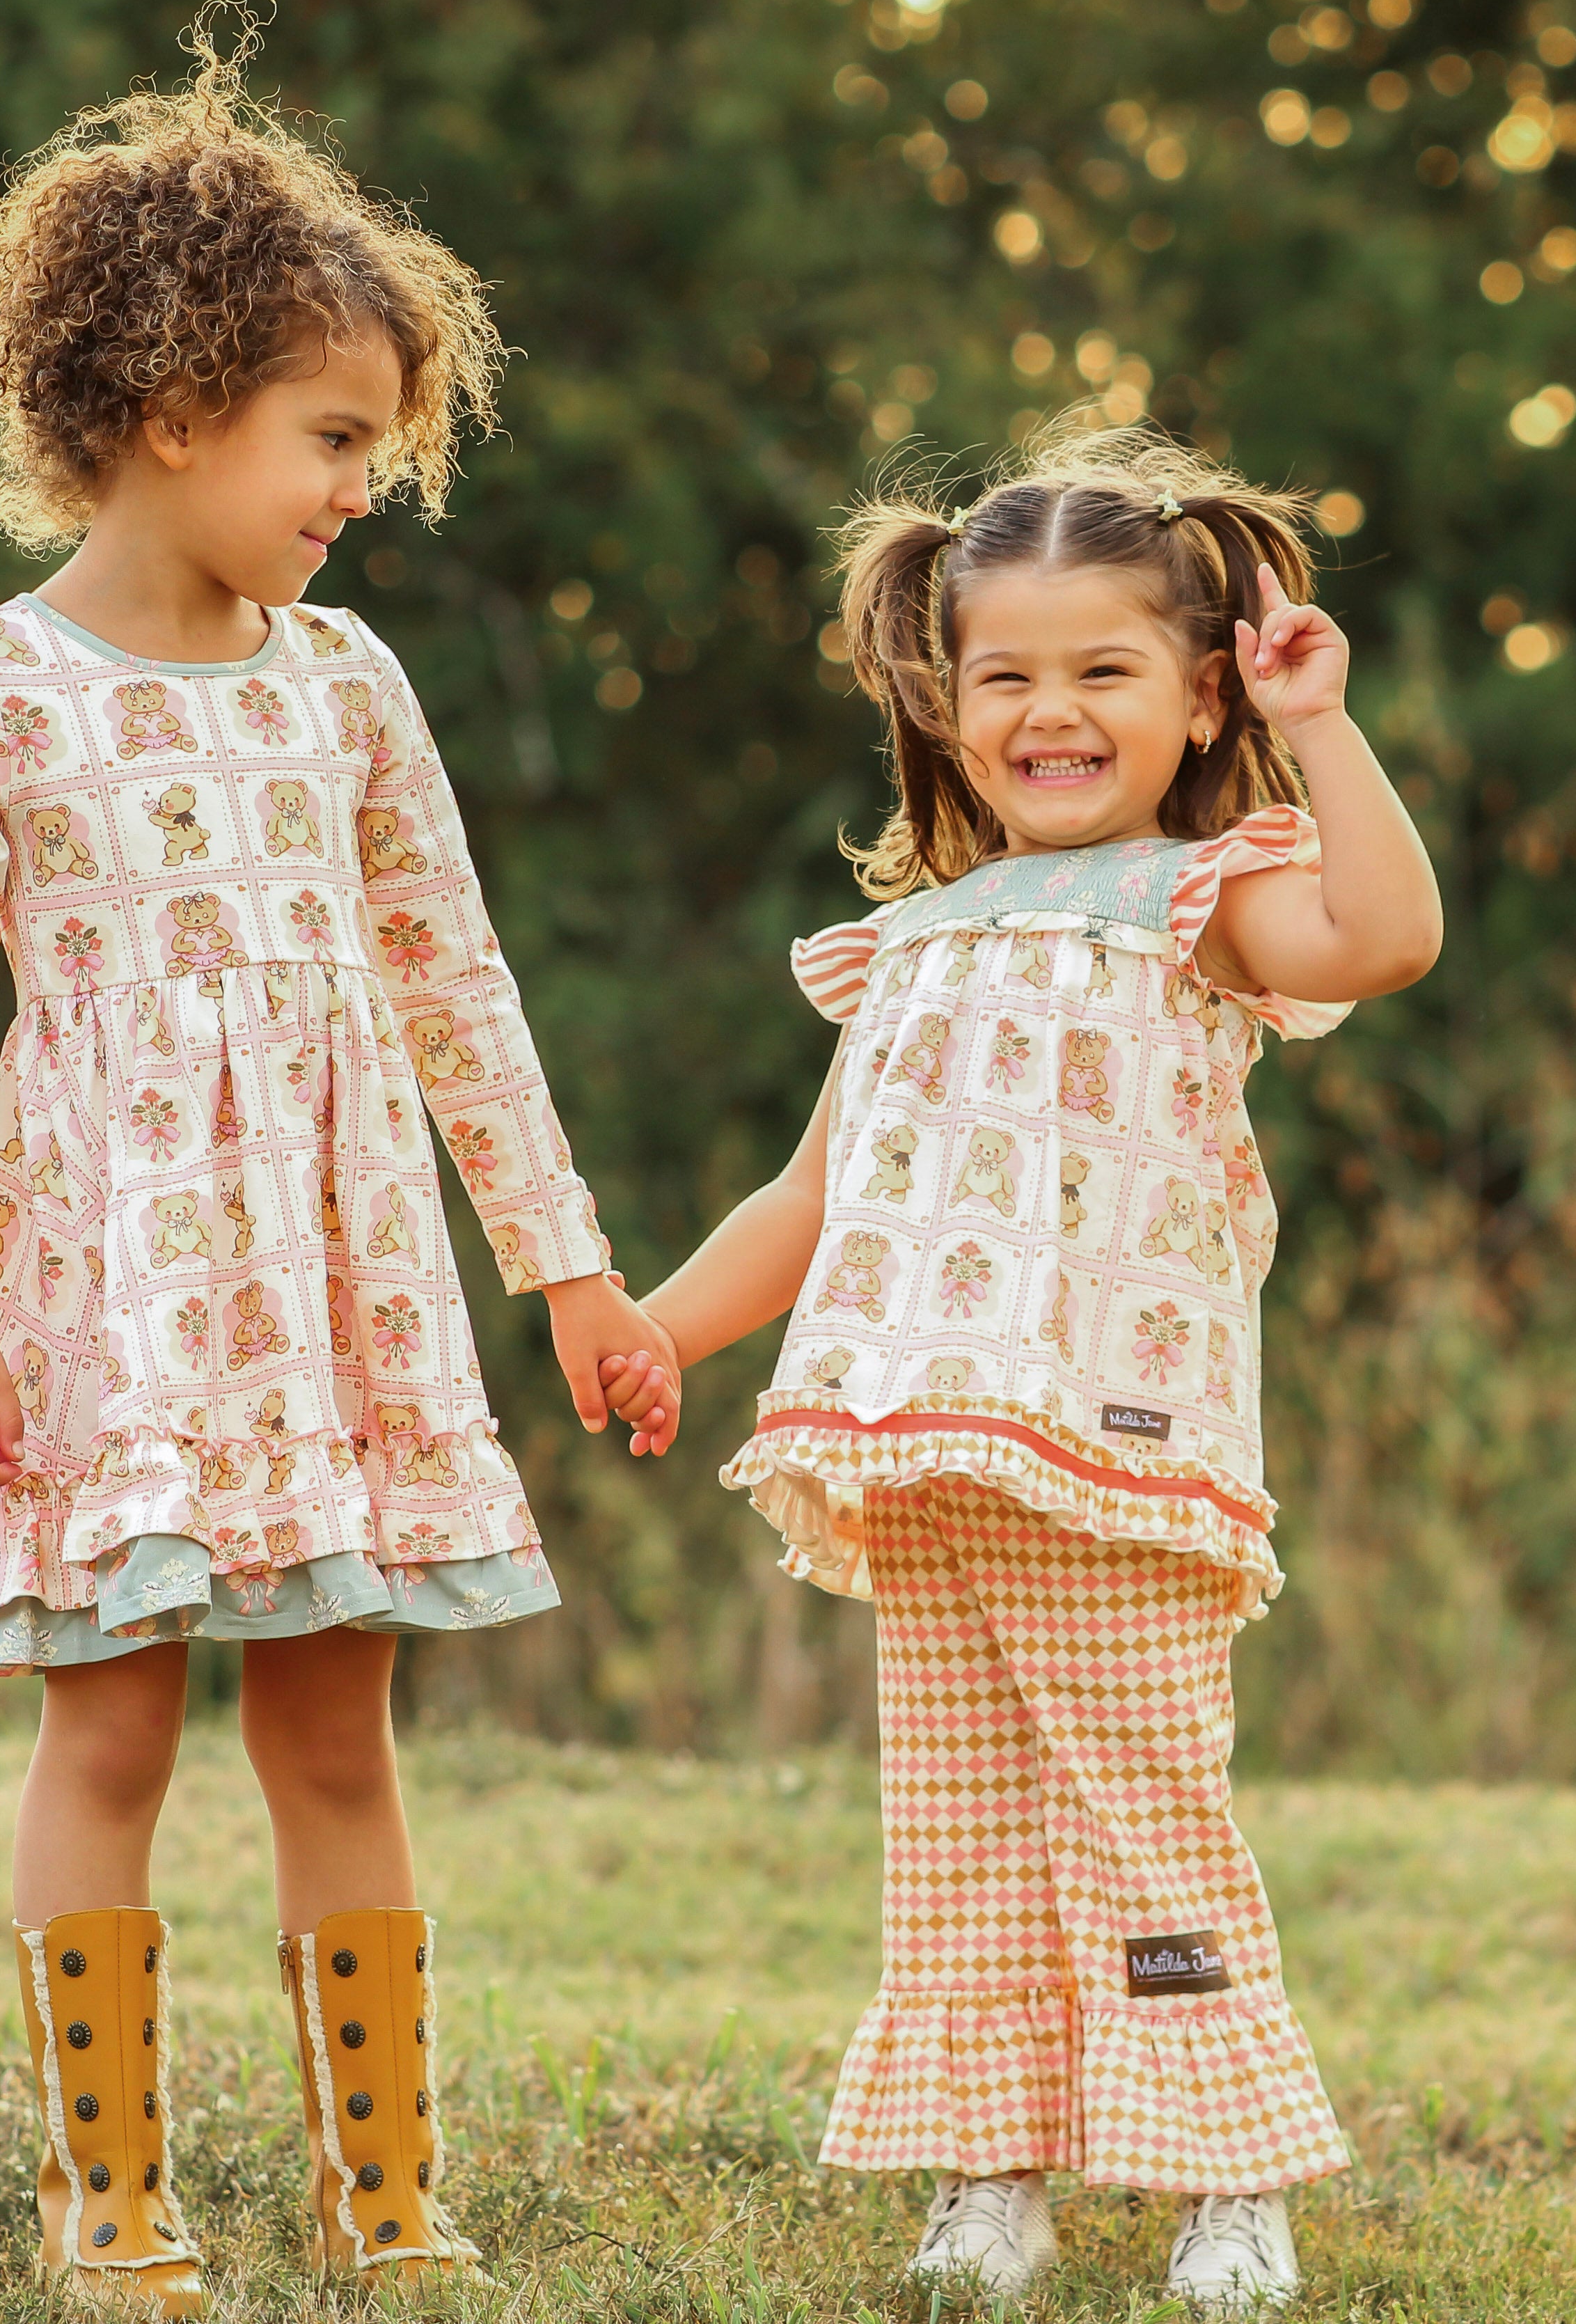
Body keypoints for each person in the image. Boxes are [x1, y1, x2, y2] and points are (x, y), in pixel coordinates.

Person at [0, 47, 676, 2314]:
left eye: (382, 450)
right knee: (110, 1707)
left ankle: (385, 2189)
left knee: (339, 1710)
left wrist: (575, 1274)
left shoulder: (349, 688)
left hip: (340, 1283)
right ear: (164, 406)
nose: (363, 494)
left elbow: (457, 989)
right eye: (335, 441)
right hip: (102, 1287)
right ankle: (106, 2198)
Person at [602, 425, 1441, 2314]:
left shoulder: (1199, 896)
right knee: (965, 1832)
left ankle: (1231, 2182)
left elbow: (1386, 939)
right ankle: (996, 2179)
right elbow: (808, 1197)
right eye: (1009, 677)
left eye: (1104, 673)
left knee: (1146, 1805)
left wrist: (1325, 732)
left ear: (1198, 690)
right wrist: (659, 1326)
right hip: (925, 1451)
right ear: (948, 697)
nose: (1052, 712)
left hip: (1115, 1448)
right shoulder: (908, 944)